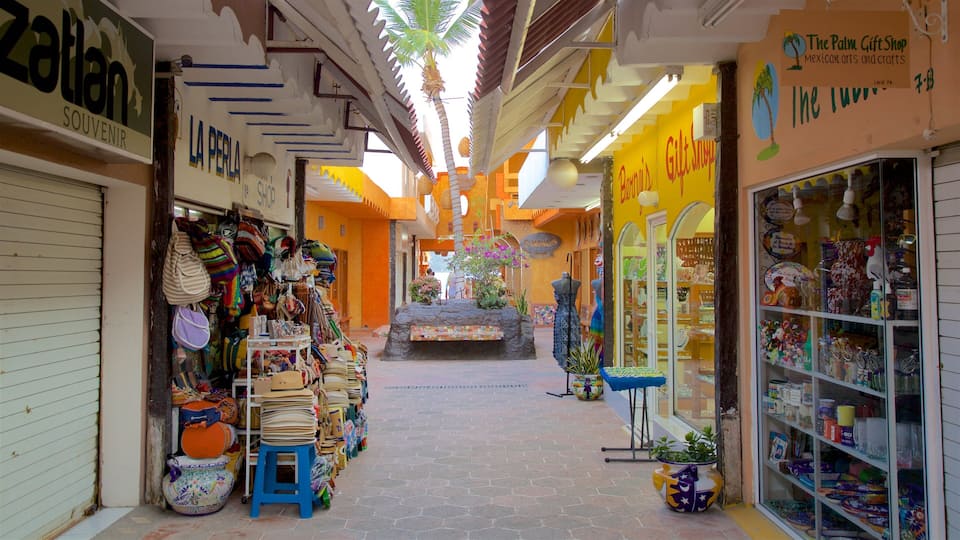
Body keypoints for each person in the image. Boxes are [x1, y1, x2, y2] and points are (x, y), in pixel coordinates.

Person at [552, 272, 581, 368]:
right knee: (573, 338)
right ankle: (572, 361)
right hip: (572, 313)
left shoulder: (557, 284)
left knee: (565, 338)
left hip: (562, 313)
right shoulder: (575, 283)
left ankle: (565, 361)